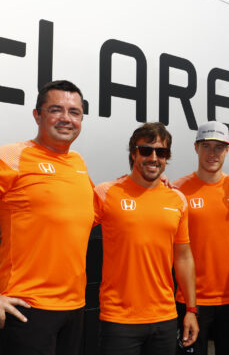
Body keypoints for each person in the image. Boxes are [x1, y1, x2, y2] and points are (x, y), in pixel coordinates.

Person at [0, 80, 94, 355]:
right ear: (37, 115)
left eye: (74, 112)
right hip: (27, 310)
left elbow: (69, 217)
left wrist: (151, 186)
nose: (66, 119)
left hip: (74, 308)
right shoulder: (11, 157)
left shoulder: (78, 162)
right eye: (56, 110)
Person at [93, 122, 199, 355]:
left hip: (165, 317)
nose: (154, 157)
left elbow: (183, 257)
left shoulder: (178, 199)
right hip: (119, 319)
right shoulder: (106, 192)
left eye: (161, 152)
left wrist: (191, 309)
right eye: (146, 150)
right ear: (133, 153)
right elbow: (69, 230)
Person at [173, 121, 229, 355]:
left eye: (219, 147)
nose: (212, 153)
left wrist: (228, 246)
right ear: (196, 148)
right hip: (191, 298)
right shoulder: (178, 189)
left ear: (227, 150)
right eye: (206, 146)